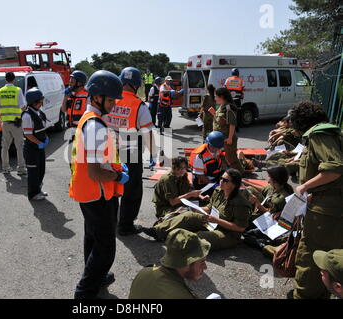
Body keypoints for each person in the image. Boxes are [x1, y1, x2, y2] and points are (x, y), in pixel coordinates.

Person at [69, 70, 129, 299]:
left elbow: (98, 161)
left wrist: (117, 167)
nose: (113, 105)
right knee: (105, 249)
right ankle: (84, 294)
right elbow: (94, 171)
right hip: (99, 194)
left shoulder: (90, 120)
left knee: (92, 237)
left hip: (90, 193)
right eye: (111, 100)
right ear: (96, 97)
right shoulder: (95, 126)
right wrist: (117, 177)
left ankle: (97, 275)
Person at [288, 101, 343, 300]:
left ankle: (304, 295)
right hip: (330, 207)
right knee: (326, 258)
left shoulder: (318, 134)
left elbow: (334, 168)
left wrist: (304, 187)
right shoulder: (331, 133)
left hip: (325, 212)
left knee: (309, 257)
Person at [143, 169, 252, 251]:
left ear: (234, 184)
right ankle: (157, 231)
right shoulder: (219, 191)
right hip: (213, 222)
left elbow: (240, 228)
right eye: (221, 178)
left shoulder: (241, 203)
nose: (221, 181)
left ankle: (177, 240)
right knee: (188, 216)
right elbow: (210, 207)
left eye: (225, 180)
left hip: (228, 233)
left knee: (198, 237)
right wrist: (196, 209)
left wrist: (217, 221)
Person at [105, 67, 157, 236]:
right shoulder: (139, 106)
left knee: (110, 185)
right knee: (132, 190)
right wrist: (153, 154)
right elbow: (147, 132)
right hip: (131, 152)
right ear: (136, 85)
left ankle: (111, 222)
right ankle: (125, 226)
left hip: (110, 150)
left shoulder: (110, 100)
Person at [129, 229, 211, 299]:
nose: (205, 267)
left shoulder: (144, 272)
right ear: (187, 263)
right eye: (202, 262)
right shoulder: (181, 296)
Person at [242, 166, 294, 249]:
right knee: (249, 189)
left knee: (245, 230)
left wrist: (257, 203)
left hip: (271, 220)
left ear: (276, 180)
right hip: (264, 211)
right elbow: (263, 190)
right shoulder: (273, 187)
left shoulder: (281, 198)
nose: (268, 179)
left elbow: (269, 214)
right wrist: (245, 183)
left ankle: (264, 243)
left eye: (269, 177)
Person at [0, 72, 27, 175]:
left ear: (5, 79)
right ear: (14, 80)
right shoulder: (17, 90)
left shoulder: (0, 91)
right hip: (16, 123)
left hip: (5, 123)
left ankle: (5, 168)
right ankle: (21, 169)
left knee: (5, 147)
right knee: (19, 146)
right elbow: (22, 106)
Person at [22, 89, 50, 201]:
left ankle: (38, 189)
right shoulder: (27, 116)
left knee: (41, 169)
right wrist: (40, 143)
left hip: (39, 147)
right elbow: (28, 134)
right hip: (31, 148)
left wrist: (46, 138)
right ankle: (33, 194)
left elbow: (42, 128)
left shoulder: (39, 112)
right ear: (34, 102)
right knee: (33, 172)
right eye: (40, 101)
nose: (42, 103)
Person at [210, 88, 244, 174]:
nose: (215, 98)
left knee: (231, 158)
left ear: (221, 96)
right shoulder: (221, 106)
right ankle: (227, 173)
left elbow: (232, 124)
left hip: (227, 138)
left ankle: (240, 174)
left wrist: (230, 138)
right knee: (221, 157)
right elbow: (220, 120)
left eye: (216, 96)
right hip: (220, 138)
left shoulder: (229, 107)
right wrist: (214, 113)